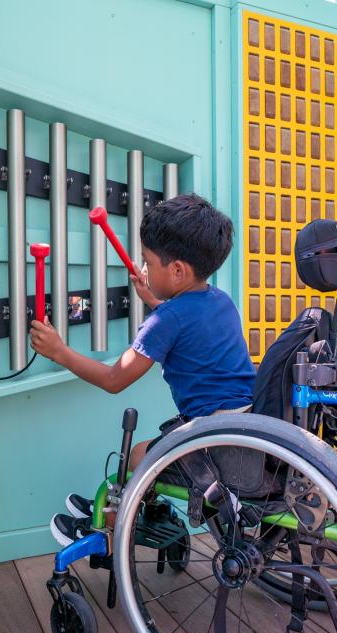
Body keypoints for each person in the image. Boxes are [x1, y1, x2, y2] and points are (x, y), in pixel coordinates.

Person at [30, 193, 255, 545]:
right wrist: (154, 298)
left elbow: (114, 379)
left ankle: (112, 527)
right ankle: (134, 507)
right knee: (152, 450)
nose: (144, 269)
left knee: (137, 455)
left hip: (213, 437)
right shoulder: (220, 301)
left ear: (178, 270)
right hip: (245, 420)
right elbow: (187, 321)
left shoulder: (167, 320)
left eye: (149, 262)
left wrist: (59, 352)